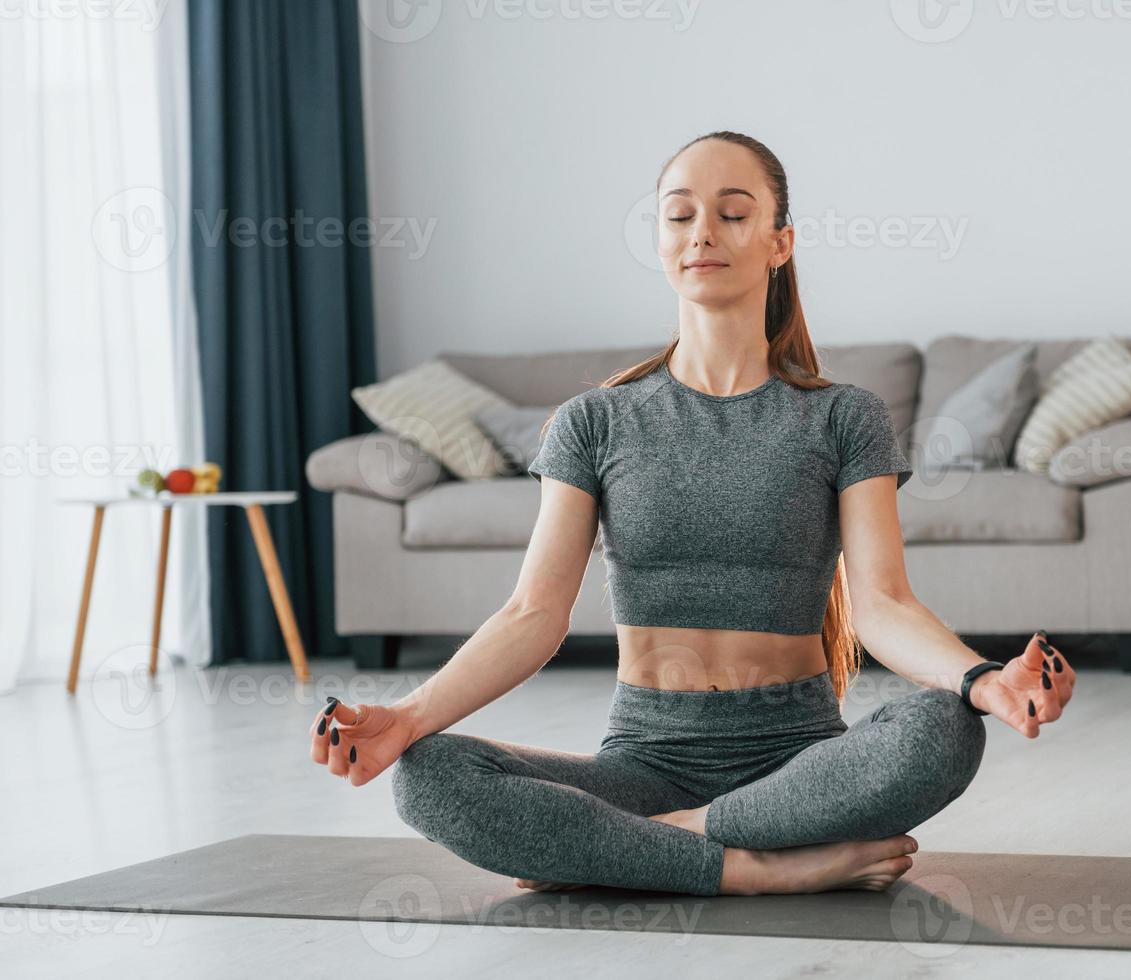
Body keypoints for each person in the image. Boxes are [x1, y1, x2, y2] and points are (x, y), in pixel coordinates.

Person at [307, 131, 1075, 897]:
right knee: (429, 776)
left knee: (940, 731)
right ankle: (753, 868)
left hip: (799, 763)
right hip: (644, 763)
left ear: (780, 244)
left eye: (733, 214)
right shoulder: (593, 422)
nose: (702, 231)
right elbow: (530, 615)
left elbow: (883, 604)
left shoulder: (845, 418)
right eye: (679, 215)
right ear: (662, 239)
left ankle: (653, 847)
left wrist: (980, 681)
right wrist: (406, 719)